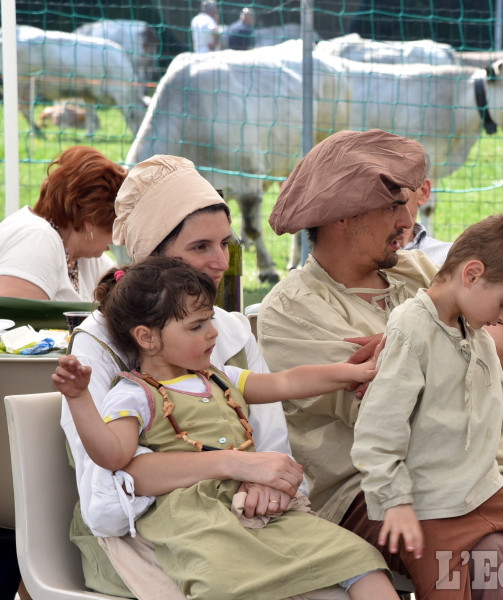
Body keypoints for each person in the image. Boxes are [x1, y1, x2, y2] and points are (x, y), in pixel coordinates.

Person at [258, 128, 503, 599]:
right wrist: (475, 370)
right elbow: (400, 413)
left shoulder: (417, 271)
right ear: (342, 217)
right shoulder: (290, 311)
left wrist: (446, 356)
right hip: (384, 496)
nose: (407, 219)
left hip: (496, 476)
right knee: (490, 561)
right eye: (392, 206)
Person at [60, 155, 327, 599]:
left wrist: (270, 488)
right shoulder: (97, 344)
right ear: (150, 257)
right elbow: (108, 496)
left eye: (226, 243)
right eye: (200, 246)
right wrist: (235, 465)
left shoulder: (233, 329)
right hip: (144, 539)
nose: (221, 261)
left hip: (243, 520)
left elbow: (271, 446)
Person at [54, 256, 396, 600]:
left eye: (211, 319)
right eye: (196, 326)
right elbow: (113, 456)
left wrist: (351, 373)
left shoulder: (221, 377)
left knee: (361, 559)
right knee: (223, 583)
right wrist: (80, 398)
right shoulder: (132, 394)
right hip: (196, 523)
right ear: (147, 337)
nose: (213, 332)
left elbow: (286, 381)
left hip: (258, 507)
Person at [351, 214, 503, 598]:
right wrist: (396, 502)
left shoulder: (477, 333)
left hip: (489, 489)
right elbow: (377, 431)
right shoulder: (411, 328)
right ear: (471, 274)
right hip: (430, 504)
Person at [403, 156, 503, 484]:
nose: (391, 214)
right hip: (433, 481)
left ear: (423, 193)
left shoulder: (451, 257)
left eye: (397, 198)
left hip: (492, 472)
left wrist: (487, 370)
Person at [0, 145, 125, 301]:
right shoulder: (37, 241)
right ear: (90, 219)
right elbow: (14, 319)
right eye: (115, 226)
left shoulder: (86, 258)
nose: (117, 240)